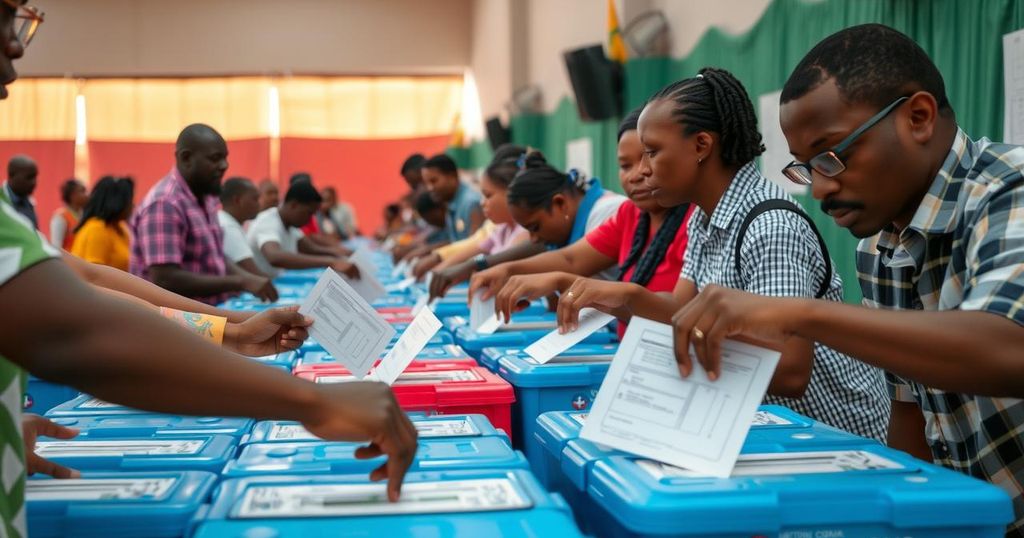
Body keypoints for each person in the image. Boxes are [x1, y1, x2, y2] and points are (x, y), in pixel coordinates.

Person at [0, 8, 415, 538]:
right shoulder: (163, 205)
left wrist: (232, 330)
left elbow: (91, 280)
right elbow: (80, 330)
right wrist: (311, 400)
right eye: (6, 18)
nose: (16, 47)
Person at [667, 25, 1024, 536]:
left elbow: (1010, 349)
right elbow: (912, 420)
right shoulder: (878, 248)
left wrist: (795, 312)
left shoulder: (1008, 190)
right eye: (807, 168)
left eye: (833, 156)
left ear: (917, 118)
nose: (821, 188)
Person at [540, 68, 890, 442]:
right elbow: (683, 310)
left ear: (701, 145)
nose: (642, 171)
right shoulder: (703, 220)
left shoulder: (769, 227)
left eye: (652, 152)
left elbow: (789, 369)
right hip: (769, 426)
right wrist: (626, 298)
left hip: (836, 438)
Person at [480, 109, 694, 340]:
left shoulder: (695, 222)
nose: (637, 174)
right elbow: (571, 259)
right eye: (625, 165)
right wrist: (508, 270)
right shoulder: (629, 213)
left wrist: (561, 280)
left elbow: (679, 312)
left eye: (649, 156)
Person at [130, 124, 277, 305]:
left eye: (225, 158)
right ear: (186, 158)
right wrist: (241, 281)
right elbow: (165, 278)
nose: (224, 165)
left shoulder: (205, 198)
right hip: (174, 322)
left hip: (207, 313)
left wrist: (247, 278)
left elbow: (214, 256)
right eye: (215, 158)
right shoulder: (165, 203)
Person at [468, 152, 627, 299]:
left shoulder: (609, 212)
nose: (534, 239)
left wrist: (509, 270)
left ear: (560, 203)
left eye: (535, 227)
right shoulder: (567, 229)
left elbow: (571, 261)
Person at [247, 180, 359, 279]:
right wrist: (330, 261)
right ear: (294, 205)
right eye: (309, 213)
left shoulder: (290, 224)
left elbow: (310, 248)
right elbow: (275, 257)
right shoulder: (268, 222)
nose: (310, 219)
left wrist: (338, 253)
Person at [70, 176, 134, 271]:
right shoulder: (96, 230)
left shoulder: (120, 227)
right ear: (116, 203)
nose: (132, 205)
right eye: (128, 201)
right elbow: (94, 276)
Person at [421, 153, 484, 242]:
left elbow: (474, 246)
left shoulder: (471, 203)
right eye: (426, 183)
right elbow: (455, 242)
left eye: (433, 181)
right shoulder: (451, 203)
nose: (430, 188)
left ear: (452, 176)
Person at [218, 177, 269, 278]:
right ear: (237, 200)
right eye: (255, 199)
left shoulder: (226, 221)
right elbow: (255, 275)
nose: (259, 204)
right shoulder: (228, 228)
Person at [49, 178, 87, 250]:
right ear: (72, 195)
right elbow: (56, 247)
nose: (87, 195)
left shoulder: (85, 215)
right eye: (82, 191)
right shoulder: (60, 217)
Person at [3, 154, 37, 228]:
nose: (34, 182)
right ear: (12, 175)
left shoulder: (30, 204)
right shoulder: (2, 204)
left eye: (35, 177)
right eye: (29, 177)